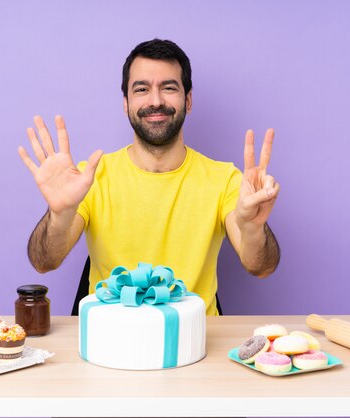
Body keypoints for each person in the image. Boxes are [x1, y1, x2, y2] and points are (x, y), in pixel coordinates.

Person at [18, 39, 280, 315]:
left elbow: (261, 267)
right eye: (142, 89)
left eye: (168, 88)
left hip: (195, 344)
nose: (156, 101)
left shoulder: (225, 179)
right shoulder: (89, 178)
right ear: (126, 103)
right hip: (109, 343)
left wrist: (253, 229)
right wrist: (59, 215)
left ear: (188, 100)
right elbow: (43, 261)